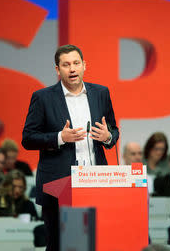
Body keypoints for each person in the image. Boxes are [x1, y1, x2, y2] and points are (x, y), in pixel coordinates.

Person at [22, 44, 119, 251]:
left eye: (76, 63)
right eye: (66, 65)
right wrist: (59, 137)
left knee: (98, 243)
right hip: (59, 185)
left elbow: (113, 129)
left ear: (84, 65)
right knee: (60, 245)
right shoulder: (43, 97)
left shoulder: (101, 93)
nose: (72, 69)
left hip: (96, 183)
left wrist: (108, 136)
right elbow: (28, 138)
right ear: (57, 69)